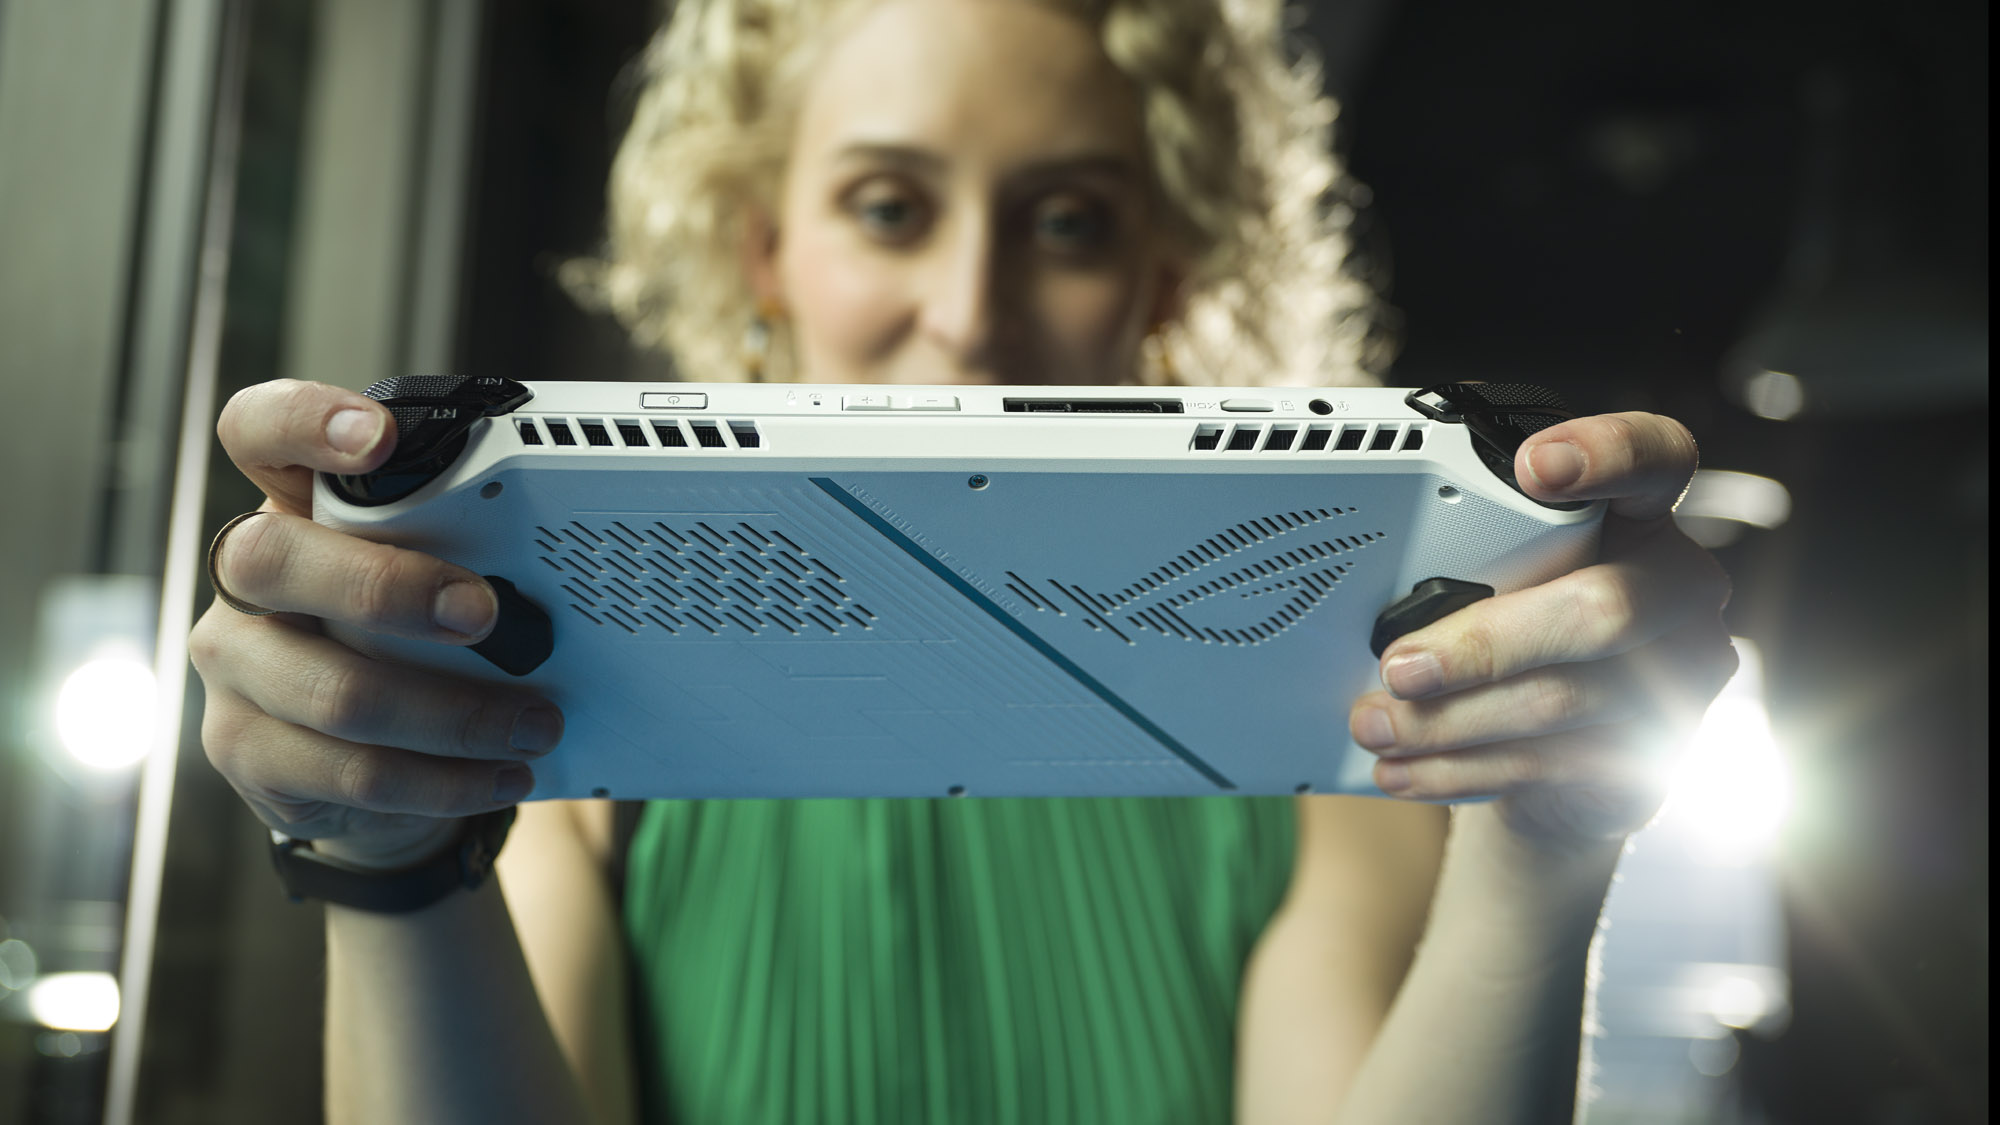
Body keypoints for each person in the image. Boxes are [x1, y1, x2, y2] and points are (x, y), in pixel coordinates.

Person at [188, 0, 1737, 1121]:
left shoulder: (1332, 739)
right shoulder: (578, 746)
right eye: (887, 204)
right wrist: (389, 852)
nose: (970, 307)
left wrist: (1544, 862)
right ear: (764, 252)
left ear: (1158, 276)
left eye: (1064, 219)